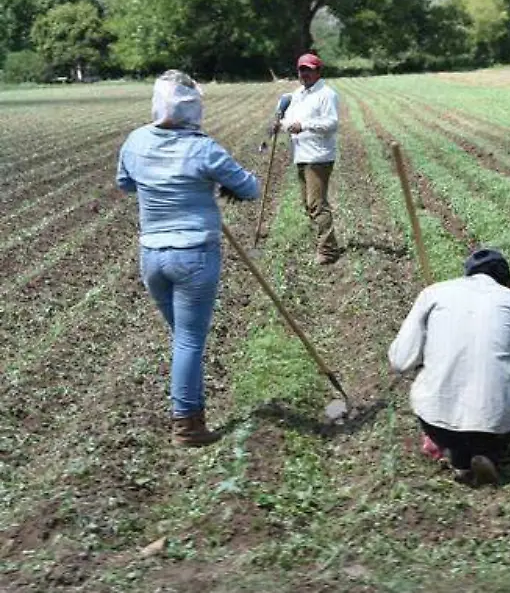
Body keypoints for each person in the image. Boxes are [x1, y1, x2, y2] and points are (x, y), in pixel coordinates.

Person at [116, 70, 260, 447]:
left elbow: (126, 183)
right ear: (192, 107)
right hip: (193, 255)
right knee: (189, 341)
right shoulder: (203, 148)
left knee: (182, 338)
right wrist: (216, 184)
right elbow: (249, 188)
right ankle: (187, 424)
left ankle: (193, 410)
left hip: (152, 256)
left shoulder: (135, 141)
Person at [387, 249, 510, 485]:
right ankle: (487, 456)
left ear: (467, 275)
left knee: (447, 430)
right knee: (490, 432)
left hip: (436, 421)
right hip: (496, 425)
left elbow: (400, 360)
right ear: (506, 282)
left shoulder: (433, 293)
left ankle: (456, 458)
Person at [276, 52, 341, 265]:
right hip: (301, 155)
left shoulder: (326, 94)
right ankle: (323, 243)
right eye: (301, 70)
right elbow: (290, 120)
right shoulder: (298, 94)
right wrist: (281, 124)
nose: (304, 74)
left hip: (319, 156)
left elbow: (331, 123)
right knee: (308, 204)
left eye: (309, 70)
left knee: (316, 204)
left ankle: (328, 251)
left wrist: (305, 126)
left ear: (317, 72)